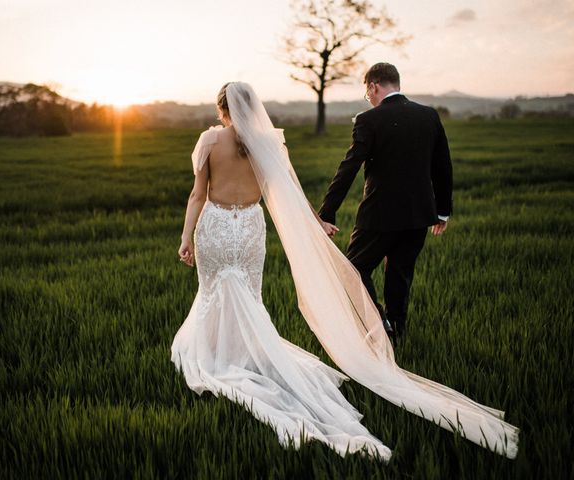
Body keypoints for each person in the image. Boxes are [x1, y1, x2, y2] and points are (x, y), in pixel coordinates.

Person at [172, 81, 519, 460]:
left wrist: (187, 237)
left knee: (213, 293)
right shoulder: (267, 142)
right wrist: (316, 221)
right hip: (251, 230)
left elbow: (197, 195)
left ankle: (217, 355)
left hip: (217, 227)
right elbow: (288, 189)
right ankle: (248, 353)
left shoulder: (208, 141)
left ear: (221, 107)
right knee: (250, 297)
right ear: (253, 106)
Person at [318, 62, 453, 346]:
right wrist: (442, 211)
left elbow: (349, 167)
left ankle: (380, 326)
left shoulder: (369, 120)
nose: (368, 98)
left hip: (378, 216)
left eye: (366, 92)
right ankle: (396, 332)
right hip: (419, 214)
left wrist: (327, 212)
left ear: (373, 86)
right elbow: (442, 166)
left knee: (353, 269)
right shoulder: (428, 116)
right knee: (400, 275)